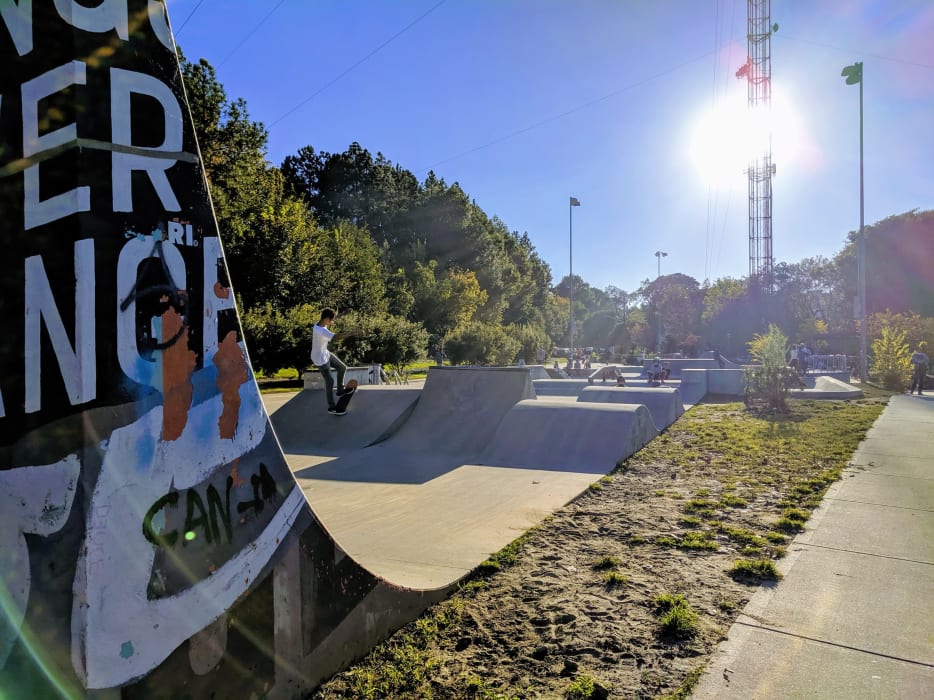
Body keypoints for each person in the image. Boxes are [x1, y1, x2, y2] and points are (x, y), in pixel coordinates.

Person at [311, 308, 357, 415]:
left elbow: (332, 319)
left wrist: (343, 314)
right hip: (320, 359)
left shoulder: (320, 324)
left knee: (342, 367)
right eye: (331, 320)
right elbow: (336, 337)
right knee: (330, 381)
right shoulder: (321, 331)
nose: (332, 322)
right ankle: (331, 407)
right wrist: (352, 333)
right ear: (326, 319)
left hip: (325, 353)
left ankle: (340, 390)